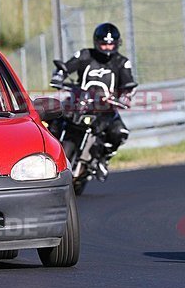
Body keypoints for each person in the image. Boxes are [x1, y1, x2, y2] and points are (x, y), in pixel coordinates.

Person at [50, 22, 137, 179]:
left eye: (111, 45)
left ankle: (103, 159)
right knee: (52, 118)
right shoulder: (85, 55)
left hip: (106, 108)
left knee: (119, 133)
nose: (107, 48)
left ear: (117, 44)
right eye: (104, 44)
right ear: (97, 42)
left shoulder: (122, 62)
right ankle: (46, 152)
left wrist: (124, 96)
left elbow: (129, 85)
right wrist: (58, 77)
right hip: (78, 102)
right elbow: (65, 68)